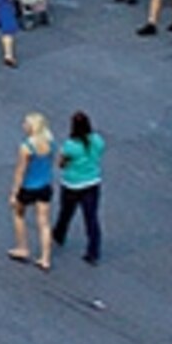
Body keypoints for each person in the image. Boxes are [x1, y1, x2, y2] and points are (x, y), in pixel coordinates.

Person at [53, 111, 105, 265]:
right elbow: (99, 153)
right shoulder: (97, 140)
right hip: (92, 183)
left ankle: (59, 235)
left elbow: (61, 164)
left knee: (66, 212)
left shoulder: (70, 146)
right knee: (91, 218)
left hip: (72, 184)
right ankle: (93, 252)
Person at [8, 112, 57, 269]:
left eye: (26, 124)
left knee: (19, 214)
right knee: (44, 222)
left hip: (29, 187)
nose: (23, 125)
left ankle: (22, 248)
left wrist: (14, 192)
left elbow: (20, 171)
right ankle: (45, 258)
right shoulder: (51, 143)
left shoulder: (27, 147)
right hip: (45, 186)